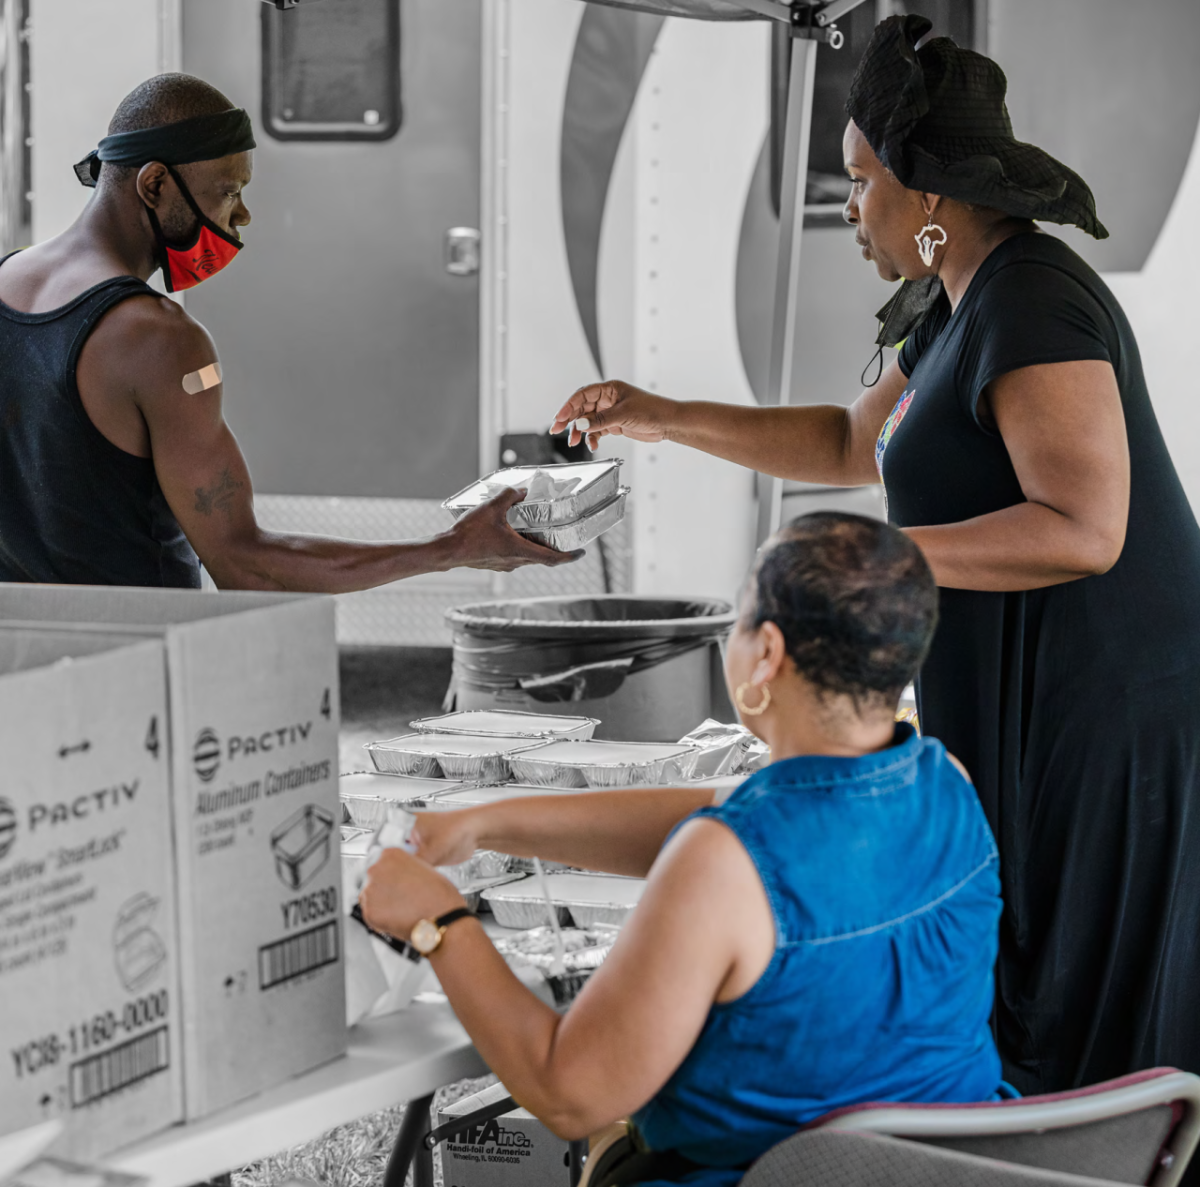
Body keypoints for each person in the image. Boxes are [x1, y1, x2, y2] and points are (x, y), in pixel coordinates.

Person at [550, 14, 1200, 1102]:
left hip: (1108, 712)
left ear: (928, 190)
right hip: (1031, 693)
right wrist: (660, 413)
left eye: (859, 182)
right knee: (1019, 970)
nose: (850, 209)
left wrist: (874, 553)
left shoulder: (1035, 297)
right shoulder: (947, 307)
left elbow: (1087, 526)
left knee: (1090, 1003)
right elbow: (850, 444)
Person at [361, 512, 1007, 1186]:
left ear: (766, 653)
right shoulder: (945, 786)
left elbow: (568, 1091)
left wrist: (440, 922)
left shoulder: (724, 863)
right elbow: (729, 815)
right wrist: (486, 823)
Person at [0, 73, 574, 589]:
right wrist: (452, 549)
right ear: (154, 185)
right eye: (229, 190)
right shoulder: (157, 339)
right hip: (136, 661)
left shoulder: (9, 277)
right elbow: (245, 564)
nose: (243, 215)